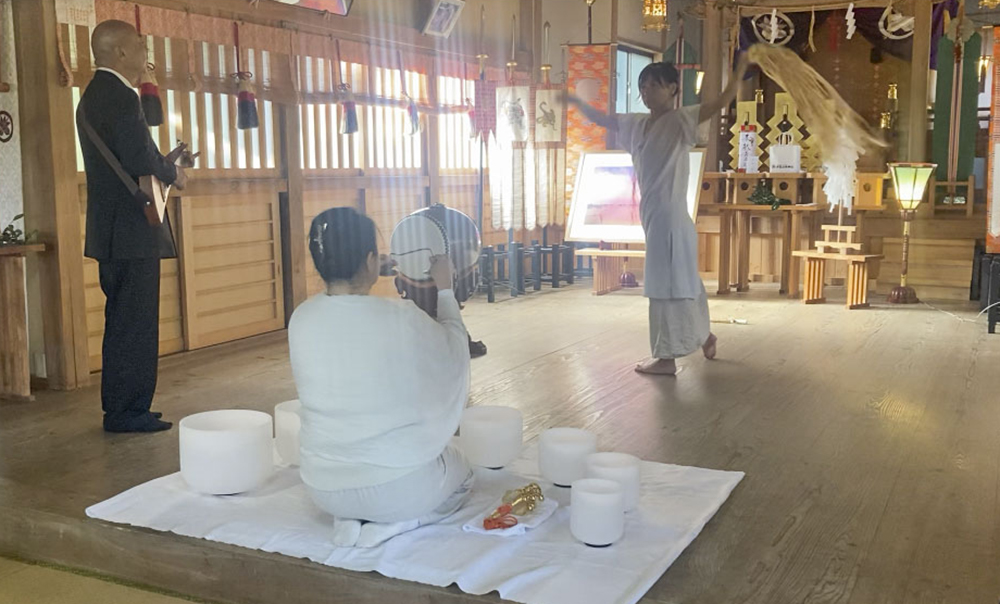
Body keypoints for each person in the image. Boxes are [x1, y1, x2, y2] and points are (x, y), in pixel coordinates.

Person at [288, 207, 474, 548]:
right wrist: (445, 288)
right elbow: (453, 349)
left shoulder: (300, 318)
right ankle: (403, 522)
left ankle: (351, 519)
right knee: (463, 473)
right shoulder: (401, 317)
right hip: (400, 489)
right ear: (372, 259)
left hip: (323, 489)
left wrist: (368, 274)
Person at [567, 57, 748, 376]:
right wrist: (574, 101)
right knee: (682, 281)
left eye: (654, 85)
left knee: (665, 285)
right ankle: (704, 336)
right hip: (655, 215)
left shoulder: (681, 120)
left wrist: (740, 69)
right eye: (643, 85)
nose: (646, 90)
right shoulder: (636, 123)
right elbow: (603, 119)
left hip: (670, 218)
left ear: (673, 89)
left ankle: (666, 357)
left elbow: (719, 102)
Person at [77, 20, 189, 432]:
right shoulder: (120, 96)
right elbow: (141, 157)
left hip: (111, 230)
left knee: (122, 321)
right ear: (120, 52)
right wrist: (173, 173)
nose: (146, 54)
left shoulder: (91, 96)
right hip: (132, 229)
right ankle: (129, 412)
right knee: (135, 322)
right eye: (141, 46)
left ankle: (124, 406)